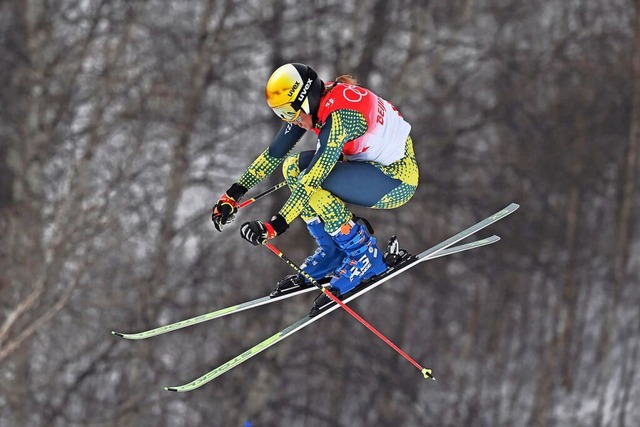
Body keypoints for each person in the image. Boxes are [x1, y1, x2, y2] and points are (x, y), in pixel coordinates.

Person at [212, 63, 419, 313]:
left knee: (310, 181)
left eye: (290, 114)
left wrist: (273, 227)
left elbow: (311, 181)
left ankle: (365, 256)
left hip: (396, 180)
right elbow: (275, 153)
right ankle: (333, 251)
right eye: (283, 115)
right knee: (291, 166)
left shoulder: (339, 119)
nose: (292, 121)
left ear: (306, 100)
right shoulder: (316, 103)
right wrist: (233, 195)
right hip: (370, 168)